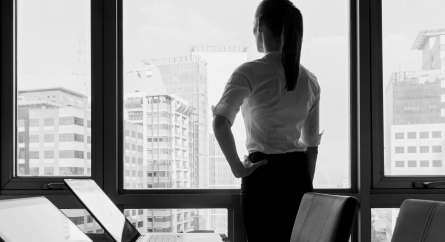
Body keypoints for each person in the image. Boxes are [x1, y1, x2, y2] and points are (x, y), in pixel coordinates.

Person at [212, 0, 322, 241]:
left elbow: (220, 123)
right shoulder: (310, 80)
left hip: (262, 175)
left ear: (259, 25)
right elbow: (311, 147)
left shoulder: (248, 72)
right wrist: (303, 188)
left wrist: (238, 169)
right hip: (298, 176)